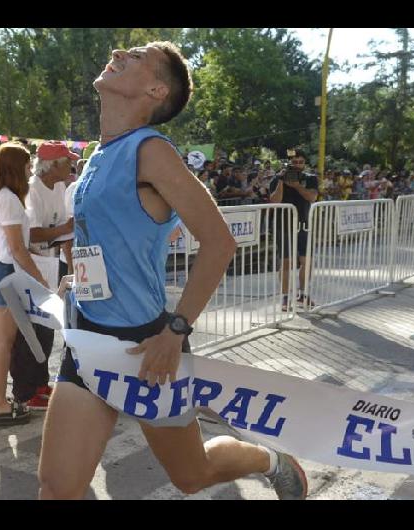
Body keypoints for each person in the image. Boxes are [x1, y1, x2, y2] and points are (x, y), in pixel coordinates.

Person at [37, 42, 307, 500]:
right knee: (58, 487)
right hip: (87, 338)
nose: (120, 50)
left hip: (144, 347)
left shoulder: (151, 151)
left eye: (138, 56)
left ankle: (271, 460)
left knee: (192, 474)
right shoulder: (99, 156)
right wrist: (76, 279)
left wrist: (177, 330)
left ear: (156, 89)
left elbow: (220, 242)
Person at [0, 142, 50, 426]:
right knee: (3, 341)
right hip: (2, 270)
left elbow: (16, 246)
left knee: (3, 341)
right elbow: (17, 248)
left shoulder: (1, 196)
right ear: (17, 168)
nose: (30, 170)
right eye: (28, 165)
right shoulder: (8, 198)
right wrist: (40, 277)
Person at [9, 141, 79, 411]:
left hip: (50, 262)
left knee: (47, 326)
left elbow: (60, 229)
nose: (71, 166)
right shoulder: (31, 190)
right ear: (53, 166)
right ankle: (24, 390)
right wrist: (62, 229)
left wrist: (65, 239)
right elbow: (32, 234)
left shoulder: (59, 186)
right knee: (29, 329)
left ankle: (40, 382)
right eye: (66, 162)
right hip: (31, 263)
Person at [268, 148, 319, 310]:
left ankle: (303, 294)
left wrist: (297, 186)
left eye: (301, 162)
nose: (297, 165)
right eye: (294, 162)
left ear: (305, 163)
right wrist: (282, 181)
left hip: (304, 224)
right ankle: (284, 298)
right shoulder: (278, 178)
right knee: (286, 262)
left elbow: (311, 197)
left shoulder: (310, 178)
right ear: (289, 163)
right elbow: (274, 201)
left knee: (307, 261)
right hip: (283, 225)